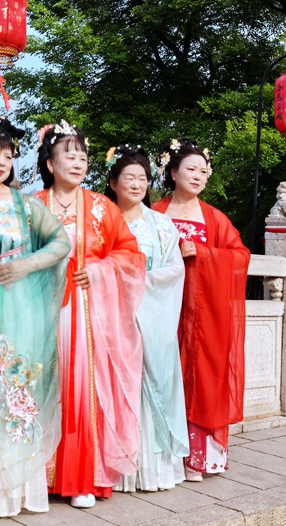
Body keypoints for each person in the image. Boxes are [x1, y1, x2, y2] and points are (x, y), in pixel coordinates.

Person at [0, 114, 70, 516]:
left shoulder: (23, 204)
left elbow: (61, 243)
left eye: (8, 154)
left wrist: (28, 264)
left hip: (19, 309)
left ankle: (11, 491)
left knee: (16, 391)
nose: (2, 161)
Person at [35, 121, 146, 508]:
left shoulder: (101, 207)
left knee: (82, 390)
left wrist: (98, 270)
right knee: (40, 386)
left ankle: (82, 477)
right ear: (50, 163)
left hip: (86, 311)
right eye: (69, 153)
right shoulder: (33, 204)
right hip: (41, 311)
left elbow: (130, 255)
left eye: (82, 155)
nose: (78, 161)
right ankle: (37, 477)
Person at [151, 138, 249, 482]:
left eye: (203, 171)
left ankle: (198, 457)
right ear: (172, 171)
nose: (198, 176)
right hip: (163, 305)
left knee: (202, 375)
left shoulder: (214, 217)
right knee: (161, 372)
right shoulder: (155, 212)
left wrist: (204, 253)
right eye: (191, 169)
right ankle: (161, 458)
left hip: (203, 311)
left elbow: (240, 256)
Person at [104, 145, 190, 492]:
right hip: (114, 313)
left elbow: (174, 267)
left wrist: (140, 279)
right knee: (118, 389)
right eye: (129, 177)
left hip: (153, 314)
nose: (136, 184)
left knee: (154, 386)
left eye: (142, 177)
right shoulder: (104, 218)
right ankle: (118, 468)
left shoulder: (161, 223)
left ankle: (153, 470)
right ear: (113, 182)